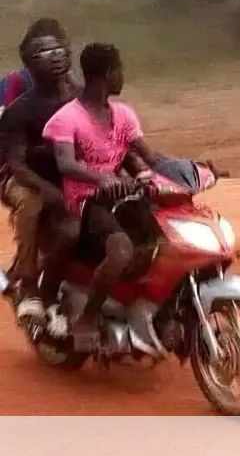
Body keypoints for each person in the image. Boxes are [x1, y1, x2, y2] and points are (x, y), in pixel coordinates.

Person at [43, 43, 166, 350]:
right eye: (119, 69)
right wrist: (103, 179)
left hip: (123, 198)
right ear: (107, 74)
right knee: (121, 251)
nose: (122, 76)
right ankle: (87, 318)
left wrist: (194, 169)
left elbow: (150, 156)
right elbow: (66, 163)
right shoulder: (67, 118)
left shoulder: (123, 114)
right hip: (87, 202)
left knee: (167, 239)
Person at [0, 19, 80, 326]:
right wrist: (50, 190)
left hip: (62, 171)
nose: (54, 57)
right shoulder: (16, 95)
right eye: (44, 52)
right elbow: (15, 160)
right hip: (17, 173)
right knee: (32, 202)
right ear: (30, 61)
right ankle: (30, 284)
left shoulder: (82, 94)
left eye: (58, 49)